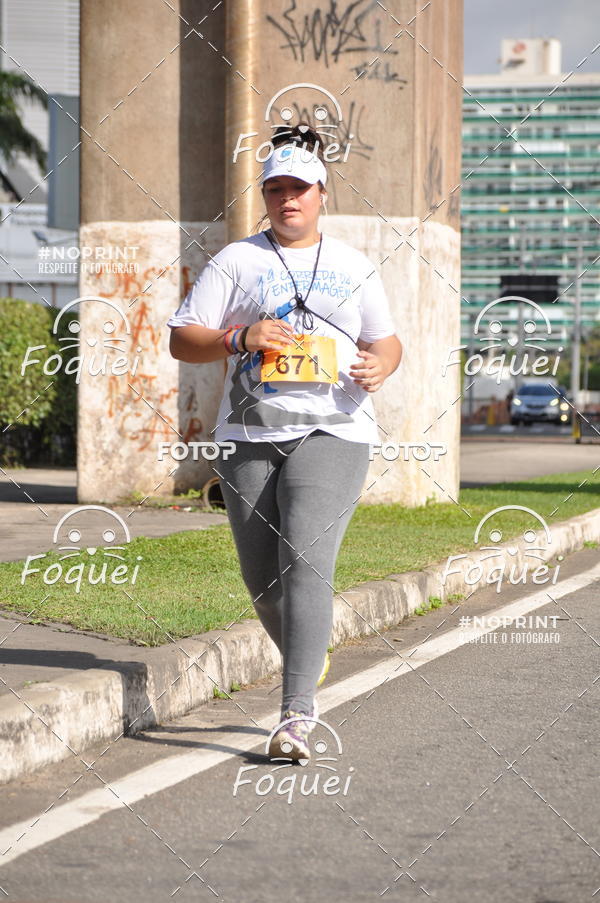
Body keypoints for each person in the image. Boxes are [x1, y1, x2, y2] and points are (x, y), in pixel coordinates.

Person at [167, 123, 403, 761]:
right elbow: (182, 337)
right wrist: (238, 338)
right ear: (265, 196)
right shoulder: (237, 261)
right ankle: (308, 649)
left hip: (334, 427)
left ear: (322, 194)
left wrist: (380, 366)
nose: (287, 199)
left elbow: (385, 341)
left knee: (304, 558)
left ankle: (296, 714)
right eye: (276, 189)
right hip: (248, 432)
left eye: (299, 188)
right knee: (263, 581)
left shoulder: (353, 265)